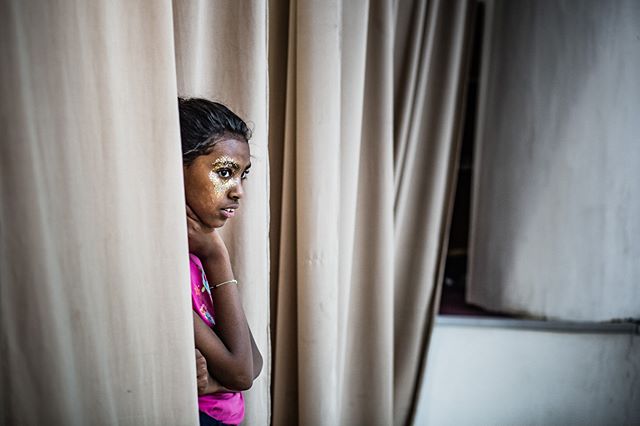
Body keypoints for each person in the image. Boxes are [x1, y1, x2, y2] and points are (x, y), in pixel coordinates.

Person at [178, 97, 263, 426]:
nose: (238, 190)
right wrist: (217, 255)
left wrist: (213, 380)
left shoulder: (197, 257)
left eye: (243, 175)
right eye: (225, 172)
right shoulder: (168, 265)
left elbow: (253, 361)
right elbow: (241, 374)